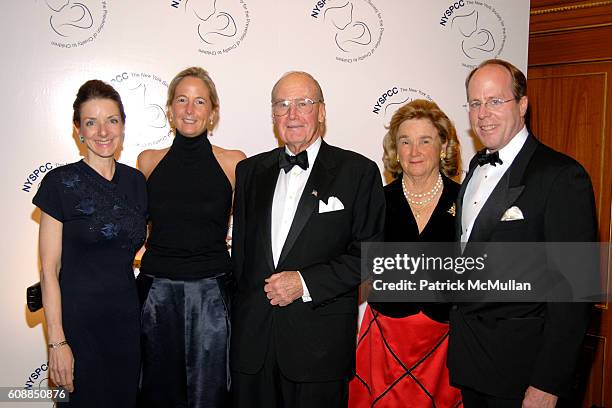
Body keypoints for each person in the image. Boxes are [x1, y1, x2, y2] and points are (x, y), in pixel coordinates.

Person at [230, 71, 386, 408]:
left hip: (319, 350)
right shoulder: (249, 172)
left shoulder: (358, 172)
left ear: (322, 111)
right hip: (253, 346)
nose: (293, 114)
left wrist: (304, 282)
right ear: (273, 115)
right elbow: (241, 261)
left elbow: (370, 255)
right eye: (282, 105)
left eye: (303, 103)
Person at [449, 59, 597, 407]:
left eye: (495, 101)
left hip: (524, 373)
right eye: (475, 103)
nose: (483, 113)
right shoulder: (474, 168)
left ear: (523, 105)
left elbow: (576, 291)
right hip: (472, 364)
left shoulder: (561, 176)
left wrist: (549, 382)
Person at [33, 80, 147, 407]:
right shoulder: (59, 183)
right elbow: (49, 269)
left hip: (127, 325)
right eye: (91, 122)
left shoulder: (136, 182)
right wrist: (57, 342)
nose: (103, 131)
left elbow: (135, 245)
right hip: (78, 328)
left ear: (123, 125)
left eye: (112, 120)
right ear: (77, 129)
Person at [136, 66, 245, 408]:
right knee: (156, 392)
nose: (189, 109)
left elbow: (254, 231)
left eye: (200, 101)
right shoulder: (147, 161)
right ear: (169, 110)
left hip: (213, 295)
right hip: (155, 295)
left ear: (213, 113)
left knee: (211, 394)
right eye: (181, 100)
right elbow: (132, 230)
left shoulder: (234, 163)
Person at [349, 99, 463, 407]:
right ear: (395, 150)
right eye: (405, 141)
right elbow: (358, 265)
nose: (414, 151)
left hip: (446, 341)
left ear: (443, 145)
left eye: (425, 140)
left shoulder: (468, 199)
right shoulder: (377, 201)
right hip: (386, 337)